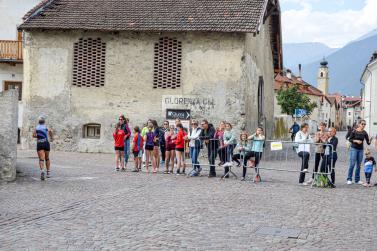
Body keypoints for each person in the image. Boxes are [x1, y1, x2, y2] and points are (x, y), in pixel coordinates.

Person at [347, 120, 371, 185]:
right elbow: (349, 139)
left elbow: (368, 143)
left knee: (358, 165)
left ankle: (357, 179)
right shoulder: (354, 131)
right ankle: (349, 179)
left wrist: (371, 140)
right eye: (362, 124)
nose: (363, 125)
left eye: (364, 124)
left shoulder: (364, 132)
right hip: (354, 149)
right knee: (352, 164)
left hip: (361, 150)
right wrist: (356, 141)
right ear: (359, 124)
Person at [32, 116, 53, 180]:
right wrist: (51, 137)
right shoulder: (46, 127)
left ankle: (42, 171)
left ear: (39, 121)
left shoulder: (36, 128)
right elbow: (51, 131)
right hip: (46, 143)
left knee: (41, 159)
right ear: (44, 122)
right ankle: (48, 173)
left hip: (40, 143)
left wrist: (38, 136)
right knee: (47, 158)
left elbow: (33, 135)